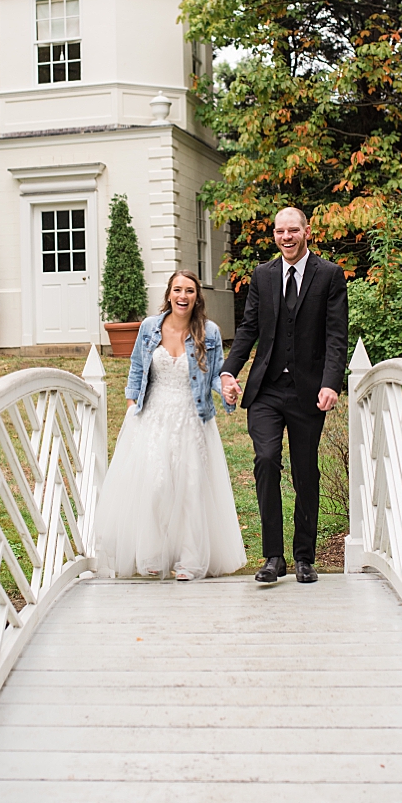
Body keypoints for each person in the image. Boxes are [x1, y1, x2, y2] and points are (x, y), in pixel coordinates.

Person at [220, 206, 349, 585]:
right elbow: (248, 328)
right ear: (274, 235)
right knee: (265, 459)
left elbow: (336, 335)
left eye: (293, 230)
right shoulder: (263, 275)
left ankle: (304, 557)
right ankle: (274, 556)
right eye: (280, 231)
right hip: (267, 389)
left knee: (305, 472)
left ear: (307, 231)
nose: (286, 237)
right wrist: (230, 369)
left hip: (308, 392)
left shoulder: (329, 275)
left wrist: (331, 382)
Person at [93, 270, 246, 581]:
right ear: (168, 294)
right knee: (155, 484)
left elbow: (216, 374)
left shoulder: (209, 332)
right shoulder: (151, 327)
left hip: (193, 418)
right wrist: (132, 404)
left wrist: (228, 391)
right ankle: (153, 554)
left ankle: (190, 560)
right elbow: (137, 366)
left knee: (190, 487)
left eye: (189, 290)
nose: (183, 296)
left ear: (196, 297)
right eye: (178, 289)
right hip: (154, 414)